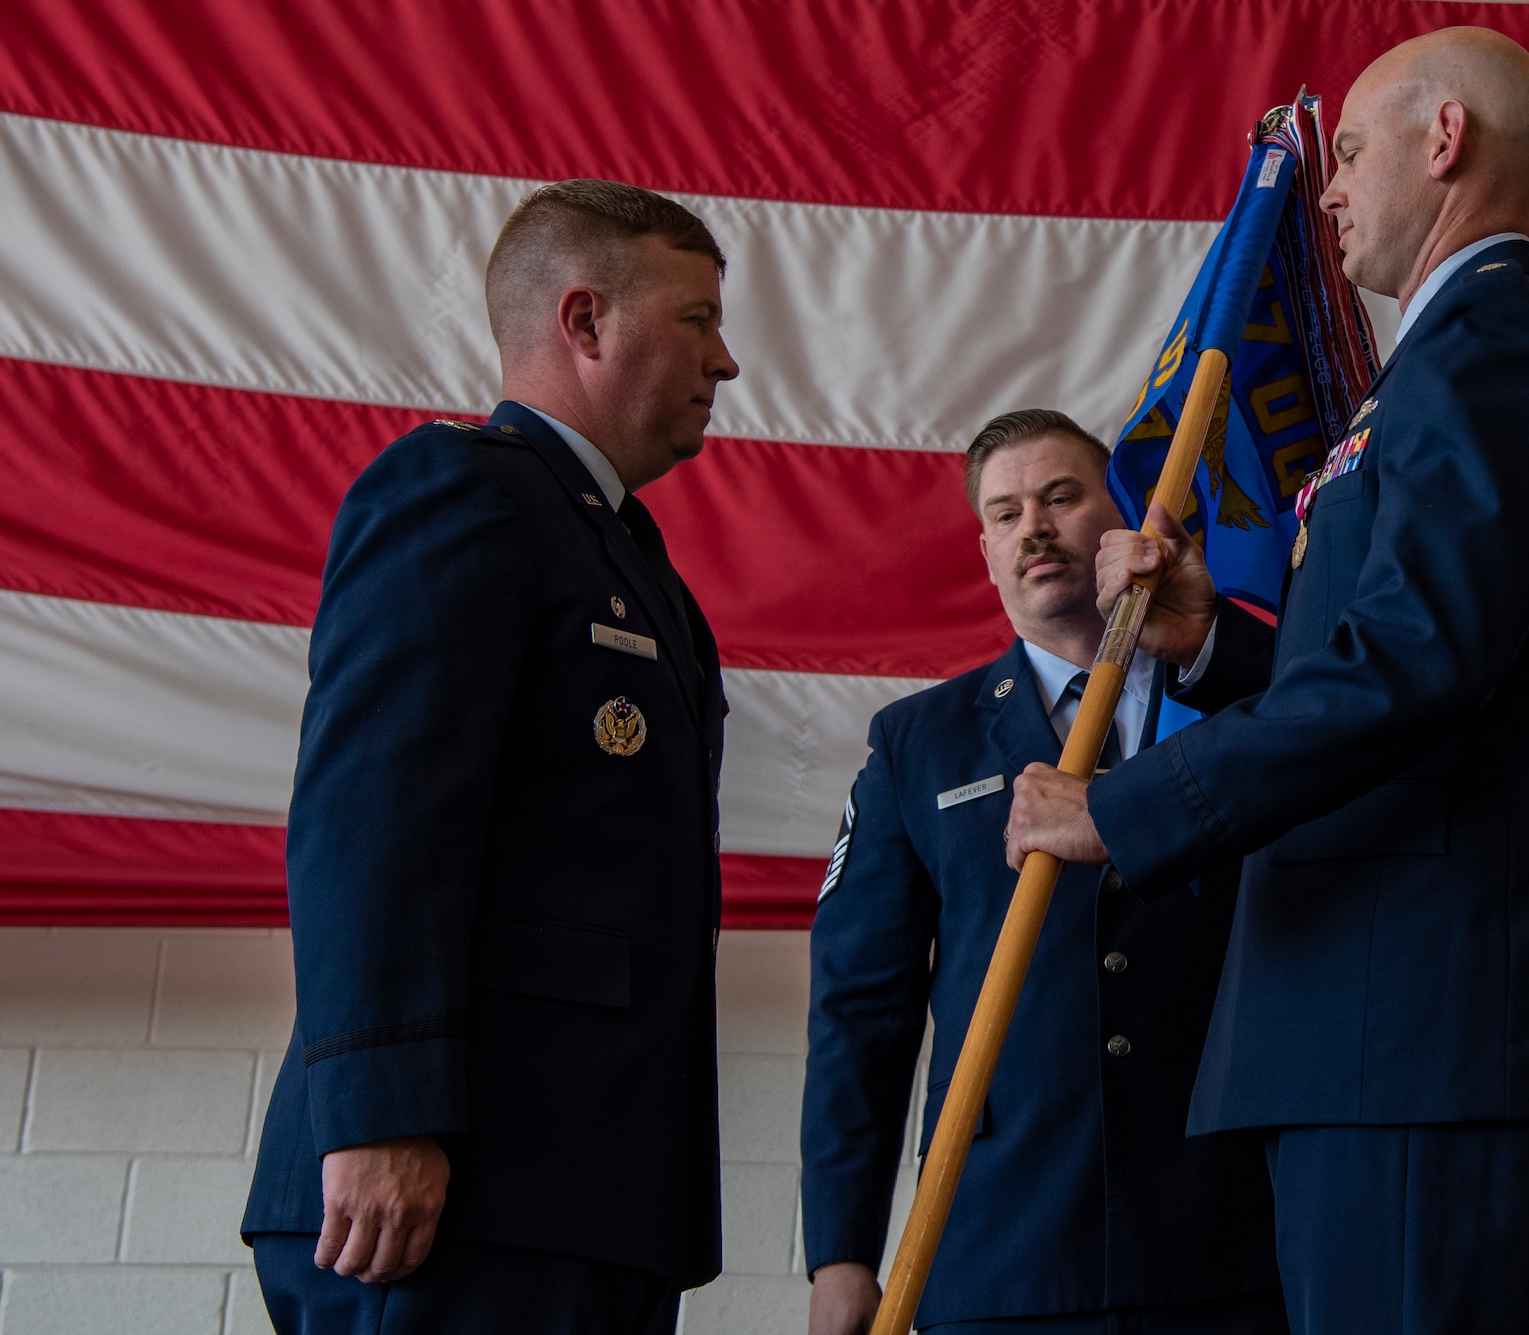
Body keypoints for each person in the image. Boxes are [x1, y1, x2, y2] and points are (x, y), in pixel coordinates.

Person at [1005, 28, 1529, 1335]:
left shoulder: (1493, 347)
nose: (1332, 188)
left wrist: (1127, 808)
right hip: (1374, 1025)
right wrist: (1215, 645)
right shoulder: (1442, 363)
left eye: (1349, 151)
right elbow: (1421, 658)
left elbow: (1417, 665)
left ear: (1445, 139)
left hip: (1418, 1020)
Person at [241, 180, 740, 1334]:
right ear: (585, 322)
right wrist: (376, 1114)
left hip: (577, 1187)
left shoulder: (621, 555)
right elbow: (374, 818)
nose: (725, 364)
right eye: (697, 320)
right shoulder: (464, 494)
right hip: (450, 1187)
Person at [802, 410, 1285, 1335]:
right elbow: (862, 1010)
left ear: (1125, 518)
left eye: (1063, 497)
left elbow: (1340, 723)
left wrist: (1215, 641)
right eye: (1006, 511)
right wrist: (842, 1253)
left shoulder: (1243, 696)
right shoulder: (918, 743)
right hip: (1005, 1250)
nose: (1035, 526)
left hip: (1227, 1236)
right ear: (985, 551)